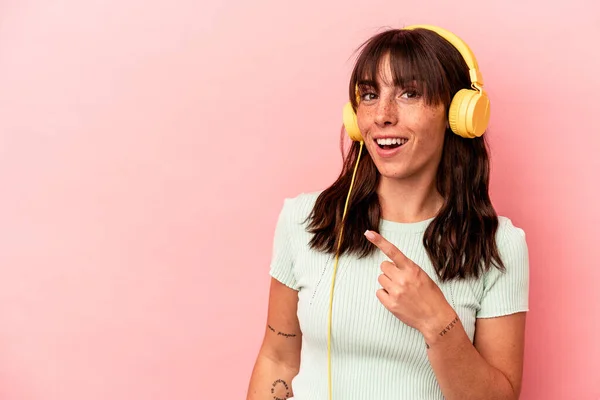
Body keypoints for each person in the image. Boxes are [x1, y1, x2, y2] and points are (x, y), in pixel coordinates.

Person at [246, 25, 529, 400]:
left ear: (459, 113)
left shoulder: (499, 246)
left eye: (410, 93)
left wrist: (437, 321)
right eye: (369, 94)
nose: (382, 114)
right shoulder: (304, 221)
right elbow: (278, 360)